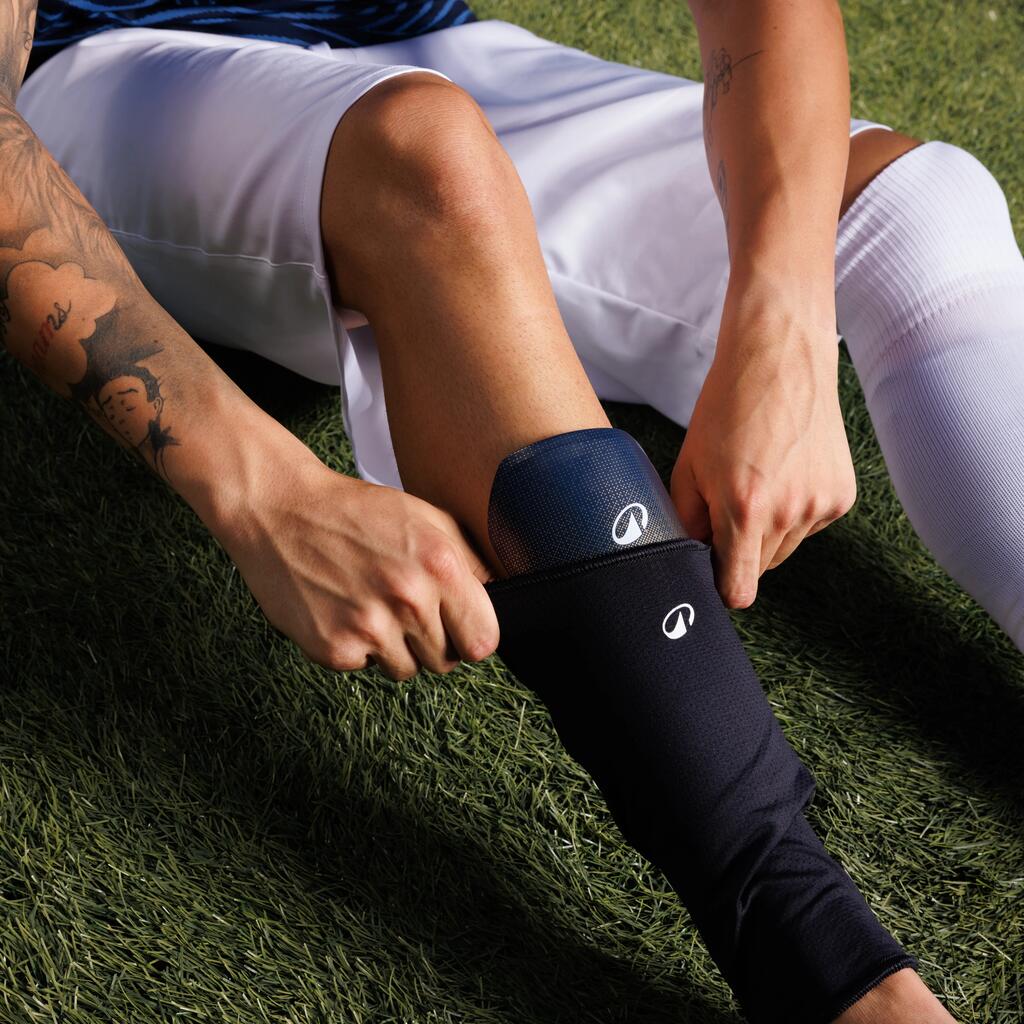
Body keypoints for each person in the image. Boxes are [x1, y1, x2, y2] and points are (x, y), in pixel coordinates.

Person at [6, 0, 1020, 1019]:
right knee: (428, 153)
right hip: (91, 71)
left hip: (415, 37)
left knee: (914, 210)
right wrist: (261, 488)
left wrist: (782, 324)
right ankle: (819, 958)